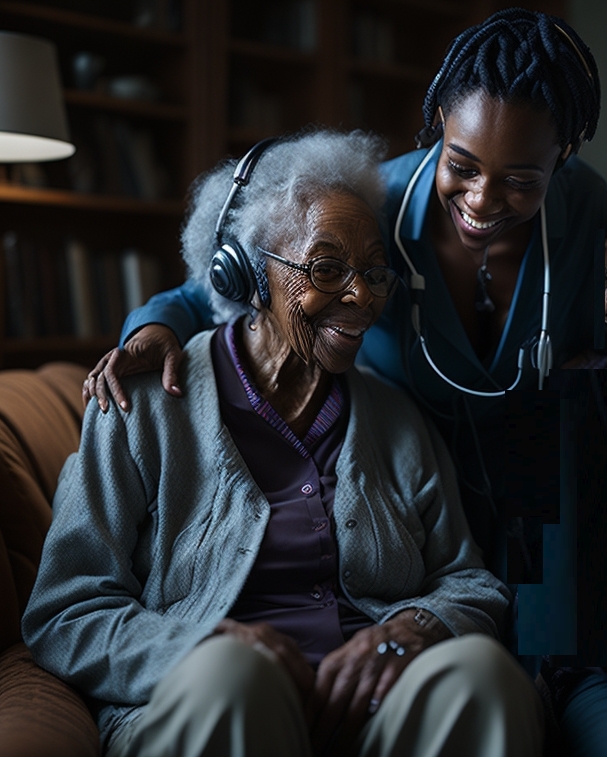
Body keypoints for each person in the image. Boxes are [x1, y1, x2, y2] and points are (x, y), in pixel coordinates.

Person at [81, 8, 606, 754]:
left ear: (564, 159)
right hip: (423, 490)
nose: (484, 200)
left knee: (539, 686)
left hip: (533, 500)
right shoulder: (370, 204)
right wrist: (153, 329)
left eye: (521, 179)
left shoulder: (589, 218)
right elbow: (222, 283)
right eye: (462, 166)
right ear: (433, 129)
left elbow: (464, 586)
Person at [21, 130, 541, 757]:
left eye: (374, 272)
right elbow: (65, 611)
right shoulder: (142, 405)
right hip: (214, 698)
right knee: (236, 680)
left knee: (482, 679)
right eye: (326, 268)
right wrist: (204, 645)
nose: (362, 295)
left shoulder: (396, 418)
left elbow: (470, 582)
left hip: (372, 711)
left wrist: (413, 629)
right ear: (247, 274)